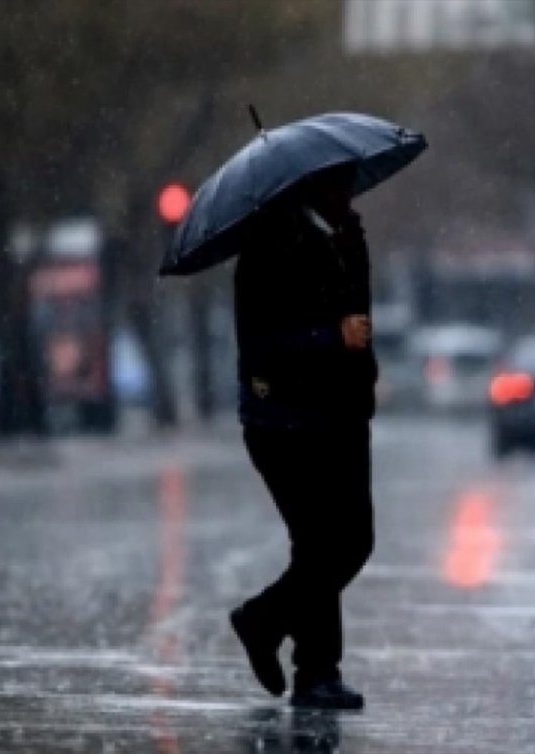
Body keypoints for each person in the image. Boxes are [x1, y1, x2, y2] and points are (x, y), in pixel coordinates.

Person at [228, 162, 376, 711]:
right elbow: (263, 344)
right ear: (312, 184)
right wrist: (331, 338)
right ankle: (305, 660)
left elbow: (360, 314)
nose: (352, 191)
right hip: (285, 421)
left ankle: (291, 647)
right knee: (326, 544)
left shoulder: (345, 235)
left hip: (341, 413)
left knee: (348, 541)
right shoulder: (270, 244)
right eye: (342, 181)